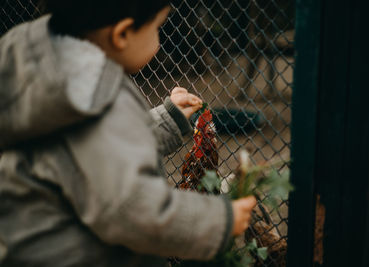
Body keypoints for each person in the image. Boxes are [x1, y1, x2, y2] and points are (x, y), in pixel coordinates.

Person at [0, 0, 257, 266]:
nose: (159, 39)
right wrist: (218, 221)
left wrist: (168, 119)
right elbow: (135, 212)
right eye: (157, 27)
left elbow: (99, 151)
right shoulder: (101, 99)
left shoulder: (50, 84)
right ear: (122, 34)